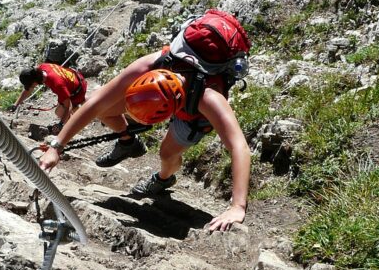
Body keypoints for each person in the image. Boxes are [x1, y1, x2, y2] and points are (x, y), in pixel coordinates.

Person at [38, 52, 250, 232]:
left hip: (194, 114)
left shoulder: (209, 98)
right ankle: (128, 142)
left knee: (167, 154)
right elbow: (94, 104)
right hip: (160, 92)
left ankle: (163, 179)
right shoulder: (150, 64)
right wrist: (57, 146)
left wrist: (237, 206)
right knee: (102, 106)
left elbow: (239, 146)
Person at [12, 63, 87, 131]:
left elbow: (68, 106)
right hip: (74, 77)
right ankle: (79, 110)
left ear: (35, 81)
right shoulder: (42, 67)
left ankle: (74, 127)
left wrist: (61, 124)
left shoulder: (57, 84)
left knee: (59, 112)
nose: (31, 87)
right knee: (62, 109)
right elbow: (28, 90)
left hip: (78, 91)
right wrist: (16, 104)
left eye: (30, 85)